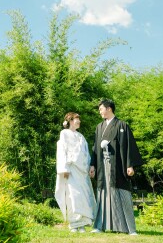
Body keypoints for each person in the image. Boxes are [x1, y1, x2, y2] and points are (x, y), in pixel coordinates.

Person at [88, 98, 143, 235]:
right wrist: (92, 164)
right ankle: (99, 226)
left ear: (109, 109)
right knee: (103, 195)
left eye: (101, 109)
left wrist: (130, 165)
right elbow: (95, 148)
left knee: (122, 194)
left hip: (118, 166)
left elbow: (129, 146)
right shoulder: (99, 127)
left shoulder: (122, 125)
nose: (100, 112)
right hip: (102, 166)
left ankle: (130, 229)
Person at [54, 112, 97, 233]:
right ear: (70, 121)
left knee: (83, 196)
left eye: (79, 119)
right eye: (77, 119)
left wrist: (90, 168)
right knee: (73, 195)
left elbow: (86, 153)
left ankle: (82, 223)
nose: (79, 121)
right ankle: (74, 224)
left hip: (82, 171)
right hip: (71, 169)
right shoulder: (64, 133)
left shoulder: (81, 136)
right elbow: (62, 151)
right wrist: (64, 169)